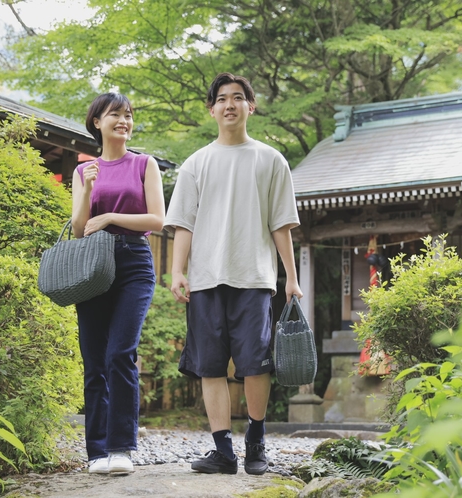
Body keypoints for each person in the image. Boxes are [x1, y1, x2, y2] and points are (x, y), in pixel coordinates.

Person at [164, 73, 302, 476]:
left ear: (250, 106)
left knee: (256, 364)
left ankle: (256, 442)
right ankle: (222, 451)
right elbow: (183, 225)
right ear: (212, 110)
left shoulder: (271, 160)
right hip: (205, 280)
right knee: (209, 366)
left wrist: (290, 278)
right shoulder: (196, 163)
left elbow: (281, 224)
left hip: (256, 279)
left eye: (238, 98)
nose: (229, 104)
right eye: (222, 99)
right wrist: (176, 271)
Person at [71, 92, 165, 475]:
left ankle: (121, 447)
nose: (123, 121)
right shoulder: (83, 171)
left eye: (128, 115)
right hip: (93, 265)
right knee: (94, 360)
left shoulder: (144, 164)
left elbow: (158, 220)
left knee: (120, 353)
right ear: (97, 122)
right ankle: (96, 452)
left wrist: (110, 215)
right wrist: (90, 190)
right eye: (115, 115)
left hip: (133, 263)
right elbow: (79, 228)